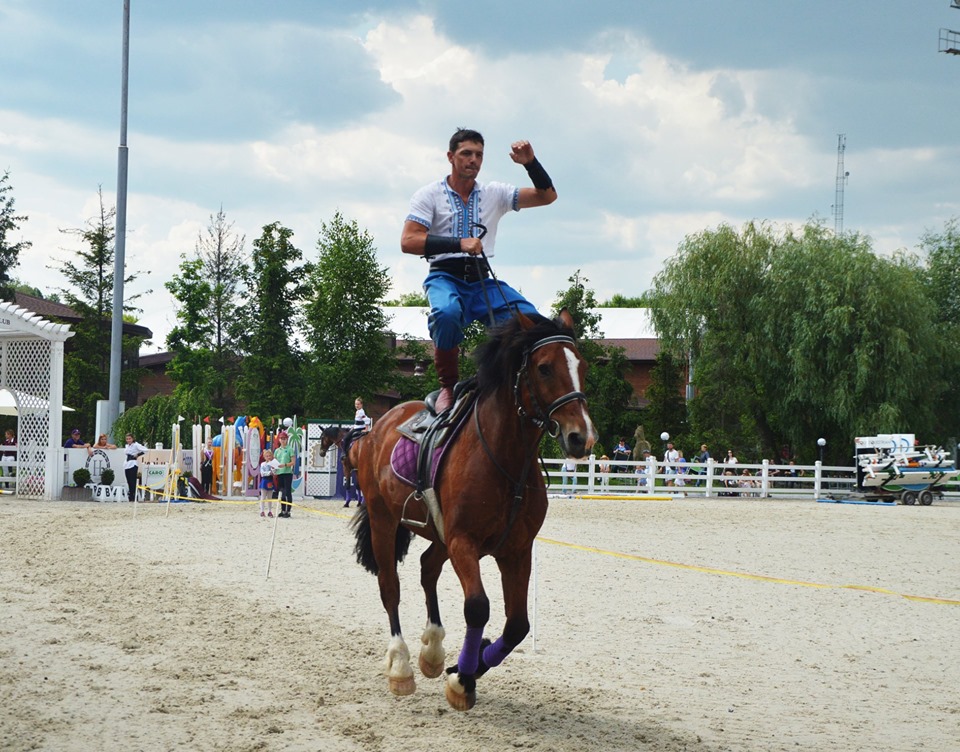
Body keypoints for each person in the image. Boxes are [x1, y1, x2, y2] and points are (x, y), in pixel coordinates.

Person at [400, 128, 558, 413]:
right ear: (451, 157)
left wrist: (530, 163)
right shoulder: (429, 195)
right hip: (445, 276)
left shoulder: (494, 193)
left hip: (481, 279)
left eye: (479, 155)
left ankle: (514, 386)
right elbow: (408, 241)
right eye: (466, 154)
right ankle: (448, 386)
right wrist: (459, 243)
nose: (473, 160)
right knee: (446, 314)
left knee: (532, 323)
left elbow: (547, 197)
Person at [273, 432, 295, 518]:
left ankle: (288, 511)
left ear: (287, 440)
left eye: (284, 439)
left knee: (288, 492)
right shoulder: (277, 450)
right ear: (279, 440)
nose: (283, 440)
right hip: (279, 473)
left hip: (287, 472)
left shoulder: (290, 449)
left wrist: (285, 465)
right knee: (281, 492)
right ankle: (282, 509)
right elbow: (274, 461)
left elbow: (293, 462)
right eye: (281, 439)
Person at [123, 433, 149, 502]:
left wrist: (138, 454)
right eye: (127, 439)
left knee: (132, 481)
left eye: (129, 439)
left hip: (133, 463)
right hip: (127, 464)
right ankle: (131, 495)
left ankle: (134, 495)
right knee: (128, 480)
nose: (128, 440)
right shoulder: (127, 446)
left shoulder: (136, 445)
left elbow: (145, 450)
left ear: (132, 439)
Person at [258, 449, 278, 518]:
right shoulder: (263, 464)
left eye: (270, 456)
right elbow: (262, 473)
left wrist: (273, 469)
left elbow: (275, 472)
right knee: (263, 496)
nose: (268, 457)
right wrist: (269, 473)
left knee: (270, 497)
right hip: (264, 480)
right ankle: (262, 511)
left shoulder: (273, 464)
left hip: (270, 481)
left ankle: (270, 511)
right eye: (267, 456)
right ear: (264, 457)